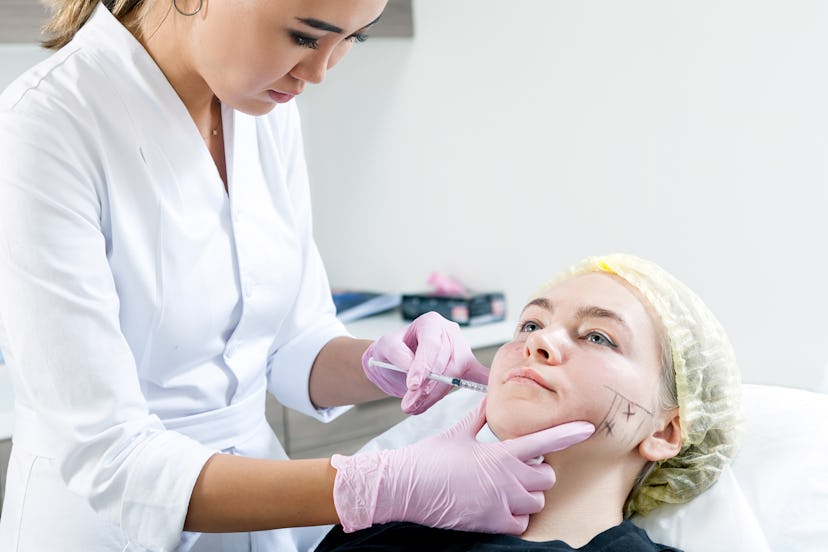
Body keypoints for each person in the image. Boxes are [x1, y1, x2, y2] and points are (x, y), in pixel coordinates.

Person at [0, 1, 594, 550]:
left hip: (261, 520)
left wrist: (382, 364)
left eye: (351, 39)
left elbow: (289, 345)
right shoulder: (44, 128)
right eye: (304, 35)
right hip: (103, 528)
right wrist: (372, 487)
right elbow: (109, 456)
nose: (319, 74)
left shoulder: (264, 109)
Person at [316, 253, 744, 551]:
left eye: (598, 336)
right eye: (530, 324)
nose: (538, 340)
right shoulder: (385, 527)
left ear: (664, 431)